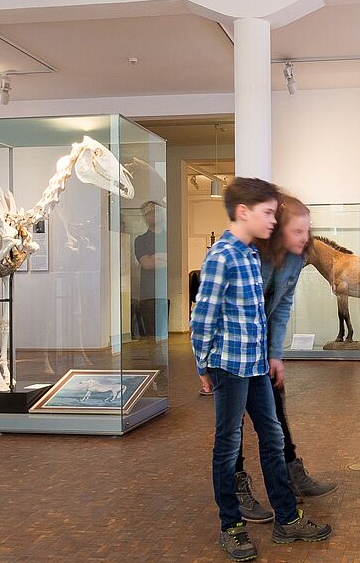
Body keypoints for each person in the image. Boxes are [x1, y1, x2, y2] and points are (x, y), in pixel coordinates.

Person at [190, 178, 332, 562]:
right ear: (244, 212)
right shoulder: (222, 256)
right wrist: (202, 362)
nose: (273, 220)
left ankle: (287, 519)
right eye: (268, 213)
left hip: (253, 364)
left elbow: (262, 314)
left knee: (271, 438)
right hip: (229, 367)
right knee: (228, 445)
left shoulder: (251, 255)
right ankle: (231, 527)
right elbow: (203, 315)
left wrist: (271, 354)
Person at [135, 200, 169, 337]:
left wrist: (155, 257)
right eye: (147, 214)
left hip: (165, 292)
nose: (149, 216)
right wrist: (163, 257)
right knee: (150, 337)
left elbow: (174, 260)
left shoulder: (168, 238)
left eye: (153, 213)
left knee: (163, 336)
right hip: (148, 295)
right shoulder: (141, 240)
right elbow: (147, 264)